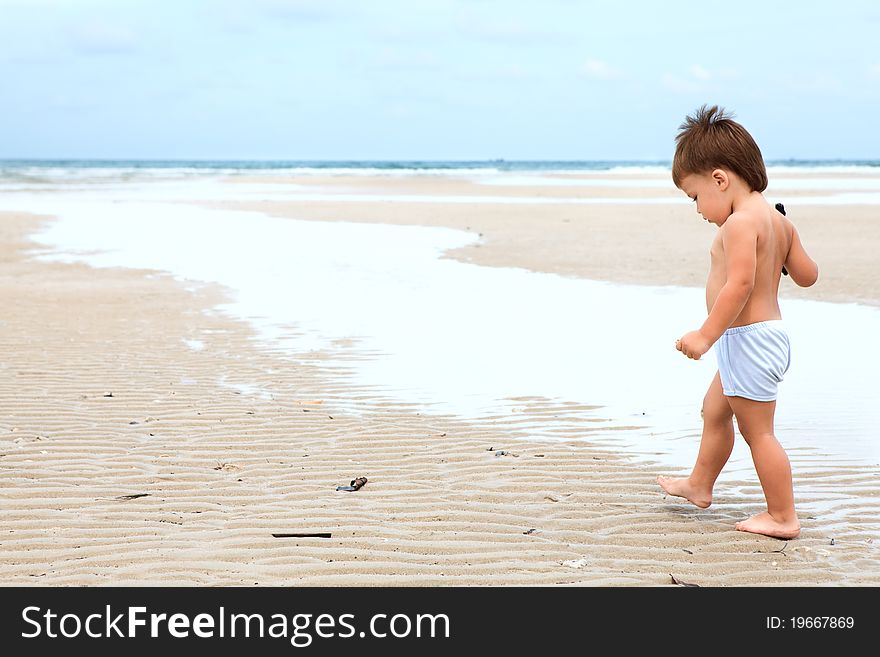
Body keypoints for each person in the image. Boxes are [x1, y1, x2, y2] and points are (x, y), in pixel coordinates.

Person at [657, 105, 818, 539]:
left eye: (694, 197)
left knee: (758, 432)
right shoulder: (778, 220)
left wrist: (705, 334)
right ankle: (699, 484)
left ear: (719, 179)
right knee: (714, 411)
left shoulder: (738, 225)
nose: (697, 209)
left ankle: (783, 517)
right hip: (756, 340)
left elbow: (740, 285)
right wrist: (782, 249)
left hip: (747, 339)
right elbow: (807, 275)